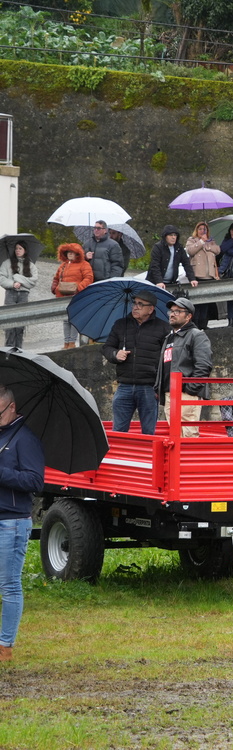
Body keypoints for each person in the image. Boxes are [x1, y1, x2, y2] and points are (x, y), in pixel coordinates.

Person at [0, 383, 45, 663]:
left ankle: (5, 646)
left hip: (12, 523)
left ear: (11, 407)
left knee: (9, 585)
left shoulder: (25, 439)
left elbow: (34, 481)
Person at [102, 289, 171, 435]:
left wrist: (161, 387)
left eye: (141, 304)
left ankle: (147, 457)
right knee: (119, 430)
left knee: (148, 431)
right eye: (134, 303)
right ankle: (119, 457)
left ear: (150, 309)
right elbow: (107, 347)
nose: (135, 307)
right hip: (124, 386)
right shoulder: (121, 324)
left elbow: (169, 359)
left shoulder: (163, 328)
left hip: (149, 387)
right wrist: (115, 354)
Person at [155, 298, 213, 438]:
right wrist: (159, 387)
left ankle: (189, 460)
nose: (172, 314)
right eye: (171, 311)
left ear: (188, 316)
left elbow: (203, 365)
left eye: (177, 311)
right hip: (170, 394)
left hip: (186, 393)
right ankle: (180, 460)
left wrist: (190, 389)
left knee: (188, 434)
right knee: (175, 435)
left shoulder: (196, 335)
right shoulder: (169, 337)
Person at [51, 243, 93, 349]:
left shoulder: (84, 264)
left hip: (76, 296)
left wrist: (78, 288)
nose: (69, 254)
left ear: (77, 253)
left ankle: (72, 343)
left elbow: (88, 278)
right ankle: (66, 343)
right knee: (65, 320)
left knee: (74, 320)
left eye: (72, 252)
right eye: (68, 252)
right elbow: (56, 278)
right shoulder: (63, 265)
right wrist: (55, 288)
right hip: (62, 297)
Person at [0, 241, 37, 348]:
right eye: (16, 248)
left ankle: (19, 349)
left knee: (21, 323)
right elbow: (1, 278)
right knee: (10, 323)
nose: (18, 250)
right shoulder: (6, 263)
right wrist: (12, 283)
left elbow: (33, 281)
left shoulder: (31, 265)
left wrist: (18, 278)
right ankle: (8, 349)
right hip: (10, 294)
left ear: (25, 250)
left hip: (23, 295)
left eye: (20, 248)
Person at [185, 222, 220, 330]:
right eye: (200, 229)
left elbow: (217, 250)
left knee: (206, 302)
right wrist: (201, 242)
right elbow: (190, 251)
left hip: (209, 275)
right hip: (197, 275)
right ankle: (195, 324)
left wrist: (208, 244)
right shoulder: (192, 240)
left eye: (204, 229)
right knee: (197, 303)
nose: (202, 231)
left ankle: (204, 324)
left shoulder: (211, 241)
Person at [148, 225, 199, 293]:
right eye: (171, 235)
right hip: (155, 283)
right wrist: (159, 281)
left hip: (171, 283)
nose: (173, 237)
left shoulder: (179, 248)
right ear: (165, 236)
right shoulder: (158, 247)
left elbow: (186, 263)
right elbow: (155, 265)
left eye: (175, 235)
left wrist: (192, 279)